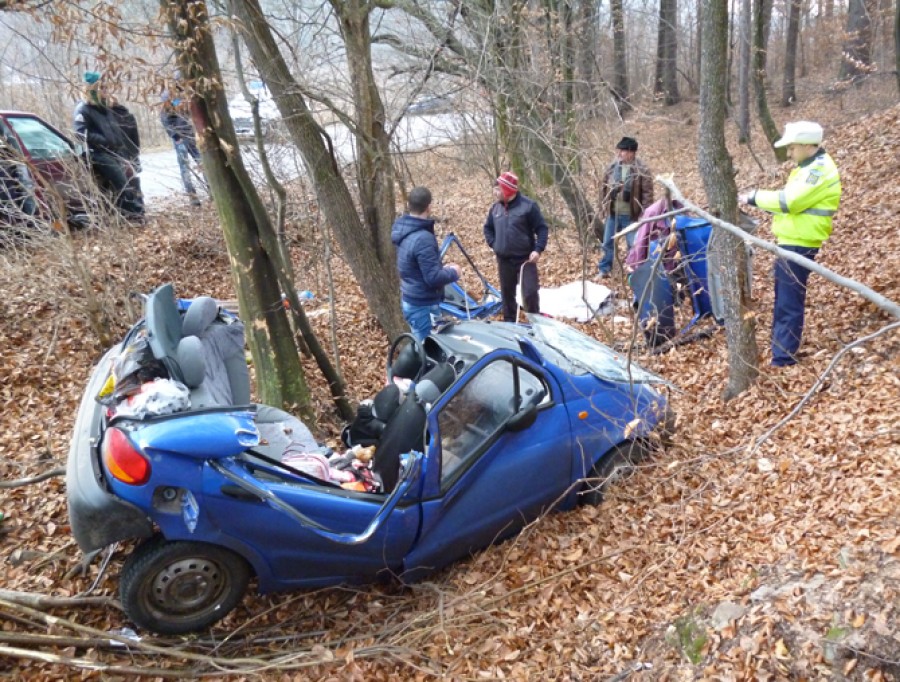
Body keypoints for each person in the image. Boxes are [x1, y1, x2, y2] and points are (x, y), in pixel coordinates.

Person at [739, 121, 842, 367]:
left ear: (808, 146)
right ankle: (781, 348)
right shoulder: (807, 167)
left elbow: (789, 201)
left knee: (788, 299)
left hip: (799, 243)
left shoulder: (818, 171)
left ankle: (784, 356)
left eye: (792, 148)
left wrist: (753, 197)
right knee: (784, 296)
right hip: (792, 241)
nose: (789, 153)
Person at [391, 186, 462, 341]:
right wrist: (454, 272)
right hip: (423, 304)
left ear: (409, 205)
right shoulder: (423, 238)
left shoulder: (404, 229)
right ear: (429, 207)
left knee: (423, 347)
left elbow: (417, 267)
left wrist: (441, 268)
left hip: (411, 298)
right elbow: (432, 278)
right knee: (427, 352)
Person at [73, 71, 144, 220]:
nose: (107, 91)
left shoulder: (105, 108)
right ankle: (133, 216)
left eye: (106, 88)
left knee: (132, 178)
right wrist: (104, 140)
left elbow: (117, 128)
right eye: (103, 88)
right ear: (93, 90)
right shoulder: (83, 109)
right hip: (98, 153)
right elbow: (80, 134)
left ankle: (135, 212)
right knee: (121, 182)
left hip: (114, 151)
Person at [483, 172, 549, 322]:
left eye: (499, 189)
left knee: (530, 293)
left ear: (508, 190)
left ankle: (536, 324)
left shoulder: (528, 206)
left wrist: (537, 249)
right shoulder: (495, 209)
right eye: (495, 189)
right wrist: (494, 244)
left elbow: (542, 229)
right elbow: (488, 228)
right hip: (504, 260)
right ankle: (509, 325)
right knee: (507, 295)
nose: (495, 192)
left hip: (525, 259)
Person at [597, 136, 654, 278]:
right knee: (607, 243)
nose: (620, 154)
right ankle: (604, 269)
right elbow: (603, 188)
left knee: (633, 245)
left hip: (632, 215)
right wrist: (603, 206)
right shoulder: (612, 167)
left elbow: (648, 194)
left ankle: (633, 272)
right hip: (613, 213)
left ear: (631, 152)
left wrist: (644, 215)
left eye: (622, 151)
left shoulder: (642, 169)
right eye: (619, 150)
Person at [160, 89, 203, 207]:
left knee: (201, 164)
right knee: (186, 168)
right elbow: (167, 125)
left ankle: (210, 191)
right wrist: (177, 137)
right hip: (181, 141)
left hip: (190, 138)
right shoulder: (167, 107)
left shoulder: (181, 102)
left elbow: (189, 118)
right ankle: (193, 197)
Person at [109, 99, 144, 216]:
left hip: (119, 153)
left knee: (123, 183)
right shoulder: (129, 115)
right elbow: (136, 138)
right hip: (131, 152)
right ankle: (140, 207)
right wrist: (135, 152)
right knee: (134, 181)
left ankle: (130, 210)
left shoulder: (109, 117)